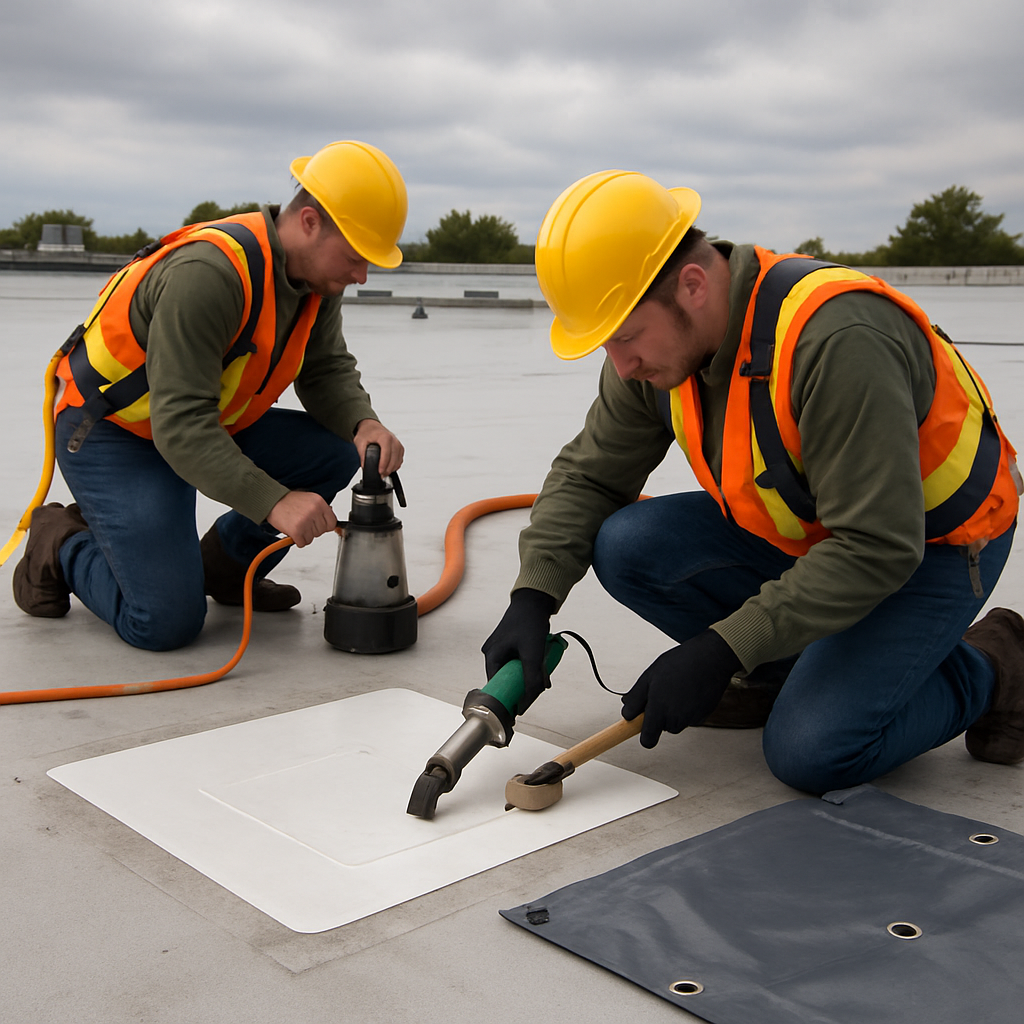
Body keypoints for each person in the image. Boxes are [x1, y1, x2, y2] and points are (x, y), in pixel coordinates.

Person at [483, 170, 1024, 793]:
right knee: (628, 544)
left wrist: (723, 649)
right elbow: (589, 474)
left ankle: (994, 668)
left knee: (811, 751)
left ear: (691, 285)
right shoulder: (656, 351)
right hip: (818, 537)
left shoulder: (837, 340)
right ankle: (779, 677)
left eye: (626, 337)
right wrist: (533, 597)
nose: (622, 364)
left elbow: (877, 547)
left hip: (933, 546)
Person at [13, 140, 408, 651]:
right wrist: (275, 502)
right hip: (114, 432)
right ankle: (60, 541)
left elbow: (325, 367)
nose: (361, 275)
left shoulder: (313, 279)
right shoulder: (209, 275)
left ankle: (228, 571)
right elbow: (180, 427)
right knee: (164, 622)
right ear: (309, 221)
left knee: (333, 452)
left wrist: (363, 423)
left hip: (204, 422)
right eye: (356, 257)